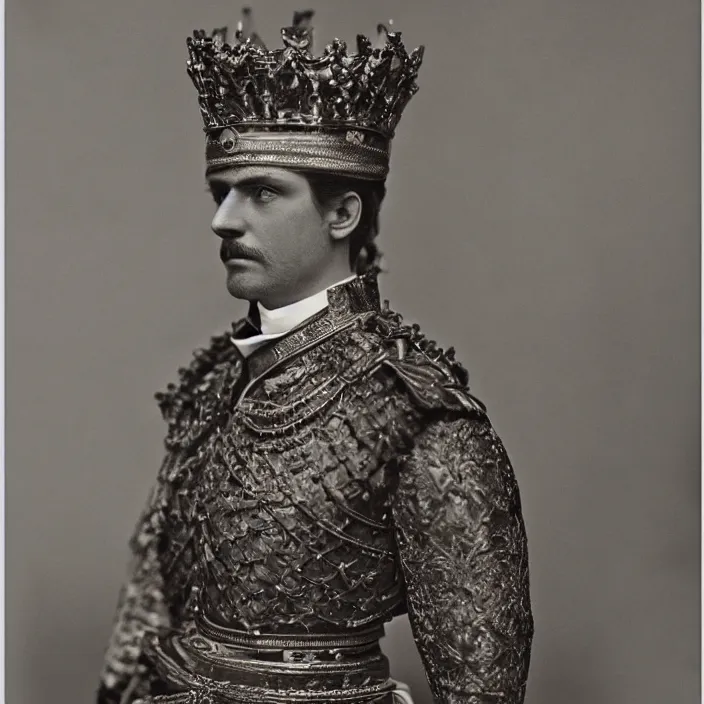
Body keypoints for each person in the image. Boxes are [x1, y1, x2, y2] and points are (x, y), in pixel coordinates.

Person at [96, 10, 534, 704]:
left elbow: (480, 684)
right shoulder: (213, 383)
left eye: (262, 191)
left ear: (342, 215)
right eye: (222, 192)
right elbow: (152, 600)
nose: (224, 218)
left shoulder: (413, 412)